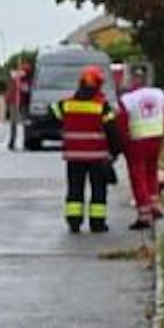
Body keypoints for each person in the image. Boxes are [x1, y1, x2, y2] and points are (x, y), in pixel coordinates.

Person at [51, 65, 122, 233]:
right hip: (97, 157)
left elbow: (52, 113)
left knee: (75, 190)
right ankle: (97, 224)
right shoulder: (102, 107)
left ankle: (74, 222)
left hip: (74, 156)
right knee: (98, 191)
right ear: (98, 85)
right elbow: (113, 132)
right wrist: (115, 152)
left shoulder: (67, 105)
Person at [117, 69, 164, 230]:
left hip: (137, 141)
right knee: (151, 172)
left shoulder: (127, 99)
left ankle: (144, 214)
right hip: (156, 138)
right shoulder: (158, 94)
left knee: (138, 176)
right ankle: (155, 205)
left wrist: (121, 143)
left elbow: (122, 122)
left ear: (131, 81)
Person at [6, 61, 30, 150]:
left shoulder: (24, 78)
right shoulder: (17, 76)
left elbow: (26, 89)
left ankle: (24, 142)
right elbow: (25, 89)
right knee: (15, 123)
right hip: (15, 102)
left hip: (22, 102)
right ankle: (13, 142)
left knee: (23, 123)